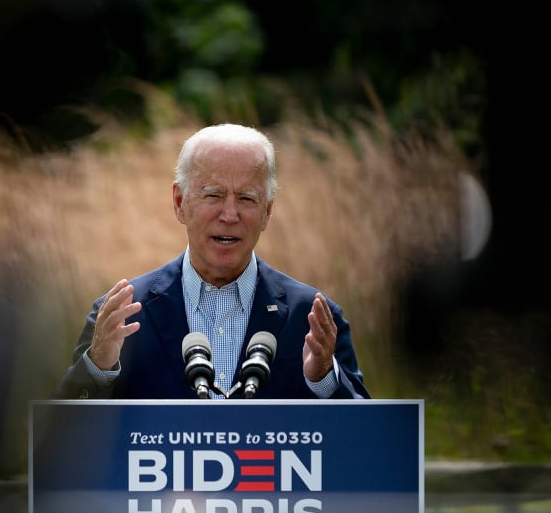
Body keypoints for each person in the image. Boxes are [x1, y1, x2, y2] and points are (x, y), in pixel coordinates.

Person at [53, 123, 370, 400]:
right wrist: (98, 368)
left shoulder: (312, 317)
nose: (230, 215)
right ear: (180, 203)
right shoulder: (123, 316)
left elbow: (366, 443)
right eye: (213, 195)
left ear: (267, 212)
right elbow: (58, 443)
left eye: (246, 199)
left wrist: (325, 379)